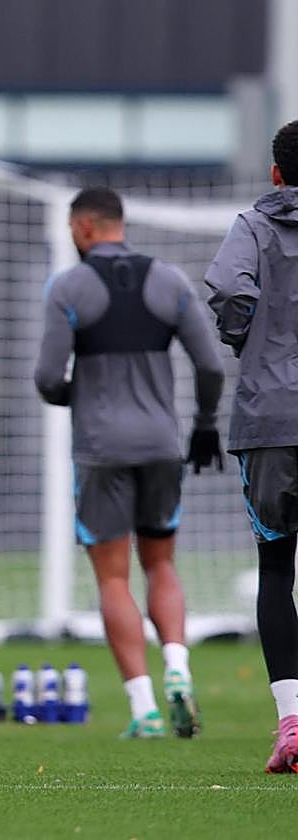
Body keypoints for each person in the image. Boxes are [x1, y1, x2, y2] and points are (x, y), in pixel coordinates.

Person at [34, 186, 224, 740]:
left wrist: (82, 395)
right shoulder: (170, 280)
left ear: (86, 227)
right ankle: (179, 671)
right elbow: (210, 365)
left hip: (101, 448)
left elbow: (48, 378)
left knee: (113, 576)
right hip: (163, 445)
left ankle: (143, 708)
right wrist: (206, 422)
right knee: (162, 565)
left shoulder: (68, 286)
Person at [206, 119, 298, 773]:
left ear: (275, 174)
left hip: (270, 421)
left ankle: (292, 726)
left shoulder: (254, 226)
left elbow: (229, 290)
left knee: (276, 570)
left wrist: (248, 339)